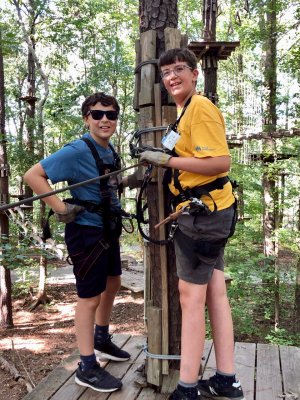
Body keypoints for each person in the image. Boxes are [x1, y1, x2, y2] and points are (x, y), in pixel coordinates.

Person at [140, 48, 245, 400]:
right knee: (215, 293)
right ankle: (226, 379)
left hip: (203, 217)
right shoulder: (185, 113)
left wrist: (167, 160)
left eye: (179, 70)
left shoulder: (199, 108)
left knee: (191, 298)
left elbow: (219, 162)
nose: (172, 77)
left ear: (195, 74)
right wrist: (168, 158)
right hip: (211, 212)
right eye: (166, 72)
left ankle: (186, 388)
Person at [24, 92, 132, 393]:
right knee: (89, 297)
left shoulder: (109, 152)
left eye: (111, 115)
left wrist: (130, 180)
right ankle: (86, 365)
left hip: (107, 229)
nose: (105, 120)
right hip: (86, 233)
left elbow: (106, 183)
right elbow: (33, 175)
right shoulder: (76, 150)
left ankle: (101, 338)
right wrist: (61, 208)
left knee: (113, 282)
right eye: (97, 114)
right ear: (87, 118)